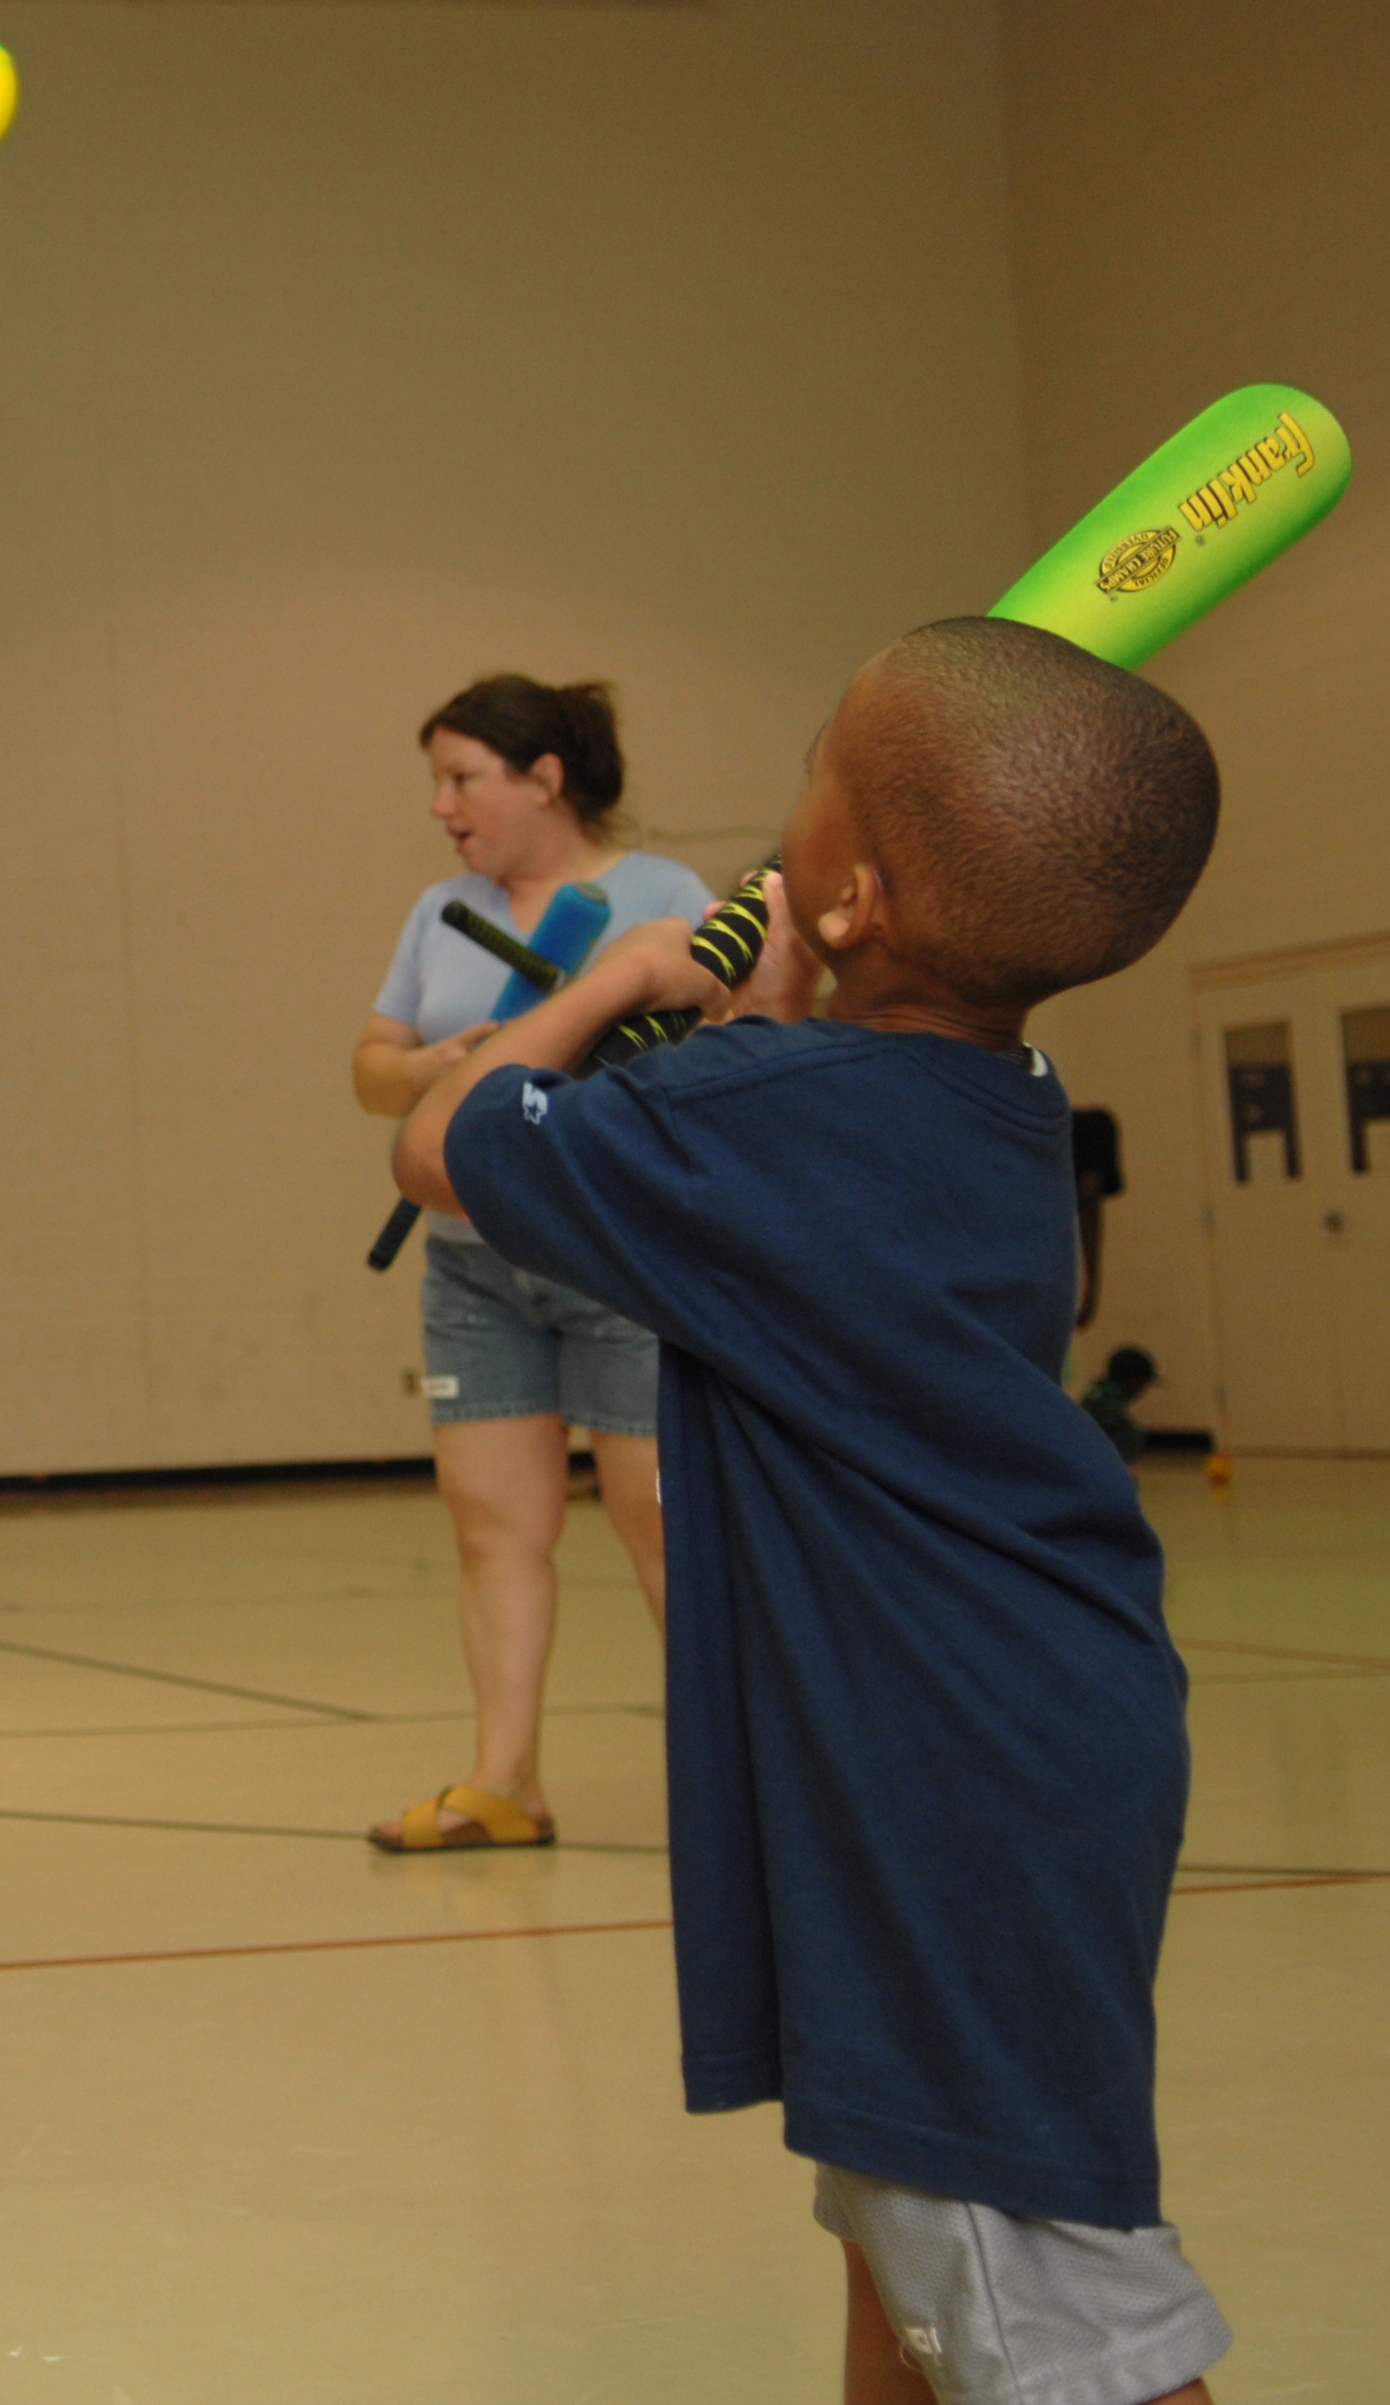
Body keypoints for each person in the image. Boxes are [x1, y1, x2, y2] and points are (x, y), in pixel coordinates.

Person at [395, 617, 1228, 2405]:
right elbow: (790, 1146)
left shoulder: (762, 1118)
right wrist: (753, 1029)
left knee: (1043, 2295)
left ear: (845, 898)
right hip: (1019, 1728)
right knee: (905, 2224)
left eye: (804, 789)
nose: (774, 824)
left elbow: (447, 1137)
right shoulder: (984, 1094)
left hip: (937, 1778)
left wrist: (620, 984)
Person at [355, 675, 709, 1849]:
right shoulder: (439, 909)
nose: (442, 807)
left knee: (659, 1519)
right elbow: (372, 1068)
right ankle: (506, 1780)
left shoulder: (660, 895)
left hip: (617, 1259)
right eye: (436, 782)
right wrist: (436, 1067)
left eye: (462, 777)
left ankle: (737, 1782)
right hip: (472, 1264)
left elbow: (723, 1049)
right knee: (494, 1527)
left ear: (544, 777)